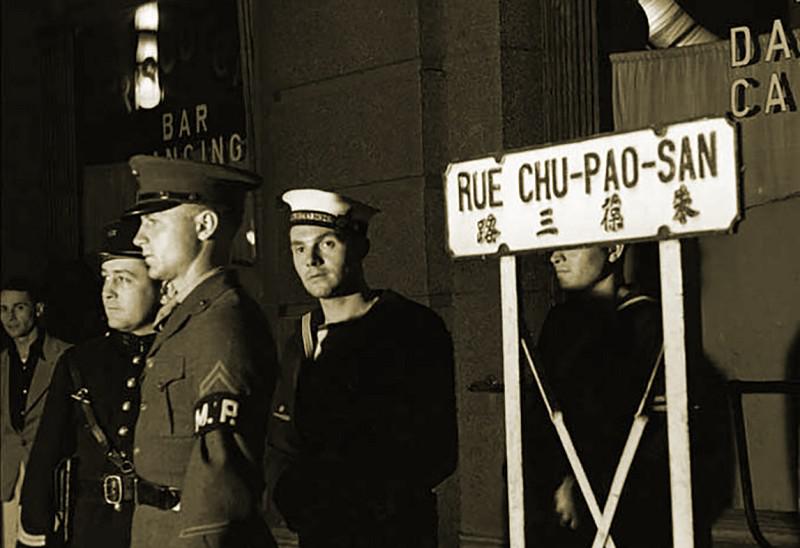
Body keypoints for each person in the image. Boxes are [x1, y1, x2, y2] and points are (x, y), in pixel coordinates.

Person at [267, 188, 458, 548]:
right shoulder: (301, 338)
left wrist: (360, 504)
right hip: (319, 532)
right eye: (298, 248)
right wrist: (293, 501)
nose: (311, 260)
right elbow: (282, 441)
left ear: (360, 247)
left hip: (391, 533)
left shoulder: (409, 329)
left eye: (326, 244)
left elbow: (436, 450)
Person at [126, 156, 277, 548]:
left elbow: (220, 467)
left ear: (205, 225)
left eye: (154, 222)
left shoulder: (222, 322)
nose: (139, 238)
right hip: (158, 530)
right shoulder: (187, 317)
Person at [17, 215, 160, 548]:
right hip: (93, 532)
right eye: (106, 278)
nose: (108, 292)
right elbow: (46, 456)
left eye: (123, 279)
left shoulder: (184, 354)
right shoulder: (80, 362)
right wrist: (34, 530)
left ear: (161, 285)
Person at [522, 244, 671, 548]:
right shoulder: (560, 322)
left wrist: (582, 486)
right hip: (550, 502)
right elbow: (540, 417)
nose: (555, 256)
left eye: (572, 246)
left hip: (617, 505)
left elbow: (652, 434)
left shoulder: (648, 323)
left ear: (614, 249)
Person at [1, 279, 70, 548]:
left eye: (19, 307)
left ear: (38, 309)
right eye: (3, 309)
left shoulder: (67, 357)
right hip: (7, 478)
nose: (10, 317)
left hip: (47, 478)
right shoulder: (2, 363)